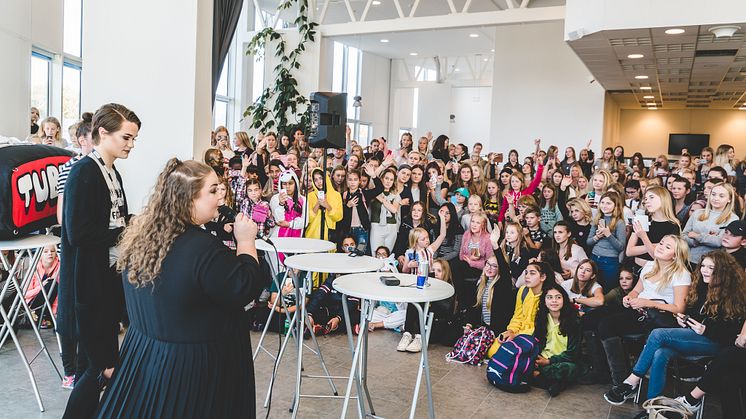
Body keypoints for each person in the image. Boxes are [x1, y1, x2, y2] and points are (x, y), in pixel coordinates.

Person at [97, 158, 267, 418]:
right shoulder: (202, 248)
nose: (220, 198)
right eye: (212, 191)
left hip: (146, 355)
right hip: (194, 367)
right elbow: (243, 287)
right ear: (187, 200)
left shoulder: (145, 236)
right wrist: (246, 243)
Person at [59, 103, 140, 418]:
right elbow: (79, 233)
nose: (130, 145)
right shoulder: (84, 171)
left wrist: (131, 224)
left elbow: (108, 223)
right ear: (102, 133)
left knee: (96, 365)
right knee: (97, 365)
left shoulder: (110, 170)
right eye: (126, 138)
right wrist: (124, 231)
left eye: (133, 139)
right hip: (89, 285)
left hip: (106, 279)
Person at [603, 250, 746, 409]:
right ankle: (653, 407)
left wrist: (705, 329)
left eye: (711, 268)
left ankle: (631, 381)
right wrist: (684, 320)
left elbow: (731, 335)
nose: (704, 270)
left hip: (716, 343)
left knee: (658, 334)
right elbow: (694, 312)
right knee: (660, 352)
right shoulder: (702, 285)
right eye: (703, 266)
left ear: (723, 270)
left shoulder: (735, 295)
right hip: (693, 336)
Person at [596, 235, 691, 389]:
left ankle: (635, 378)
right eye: (661, 243)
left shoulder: (681, 274)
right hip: (639, 311)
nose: (660, 247)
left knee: (645, 334)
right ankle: (620, 380)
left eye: (667, 247)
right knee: (605, 324)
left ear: (675, 255)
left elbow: (679, 308)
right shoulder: (649, 266)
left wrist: (648, 303)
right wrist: (629, 298)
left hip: (661, 318)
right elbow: (636, 290)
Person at [530, 284, 583, 397]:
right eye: (549, 297)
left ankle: (538, 377)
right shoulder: (542, 318)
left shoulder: (573, 320)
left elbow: (573, 353)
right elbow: (535, 341)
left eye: (558, 297)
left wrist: (549, 361)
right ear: (544, 301)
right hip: (542, 359)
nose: (554, 301)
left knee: (570, 369)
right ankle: (553, 382)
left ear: (564, 299)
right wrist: (536, 358)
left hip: (562, 361)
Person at [397, 258, 458, 352]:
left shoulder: (449, 288)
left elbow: (445, 309)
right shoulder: (428, 285)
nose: (435, 273)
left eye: (439, 271)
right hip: (422, 324)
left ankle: (419, 338)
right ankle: (407, 334)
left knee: (425, 302)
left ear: (445, 272)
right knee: (414, 300)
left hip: (436, 326)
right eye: (433, 270)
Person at [625, 185, 681, 272]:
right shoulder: (641, 219)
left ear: (663, 199)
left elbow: (657, 257)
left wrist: (643, 237)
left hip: (656, 271)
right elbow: (629, 251)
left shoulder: (673, 225)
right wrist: (654, 245)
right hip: (636, 269)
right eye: (646, 199)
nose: (647, 201)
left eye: (651, 197)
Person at [683, 182, 738, 264]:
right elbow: (683, 235)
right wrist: (696, 241)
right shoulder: (697, 213)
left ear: (729, 199)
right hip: (690, 259)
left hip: (713, 263)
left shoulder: (733, 218)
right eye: (713, 194)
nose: (716, 198)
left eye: (721, 196)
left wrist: (697, 236)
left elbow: (719, 241)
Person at [587, 191, 626, 290]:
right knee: (592, 288)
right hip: (594, 258)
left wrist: (608, 234)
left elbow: (621, 247)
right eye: (602, 202)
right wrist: (597, 237)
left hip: (610, 262)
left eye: (608, 203)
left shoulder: (619, 222)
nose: (604, 206)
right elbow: (588, 242)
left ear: (615, 206)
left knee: (608, 290)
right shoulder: (597, 219)